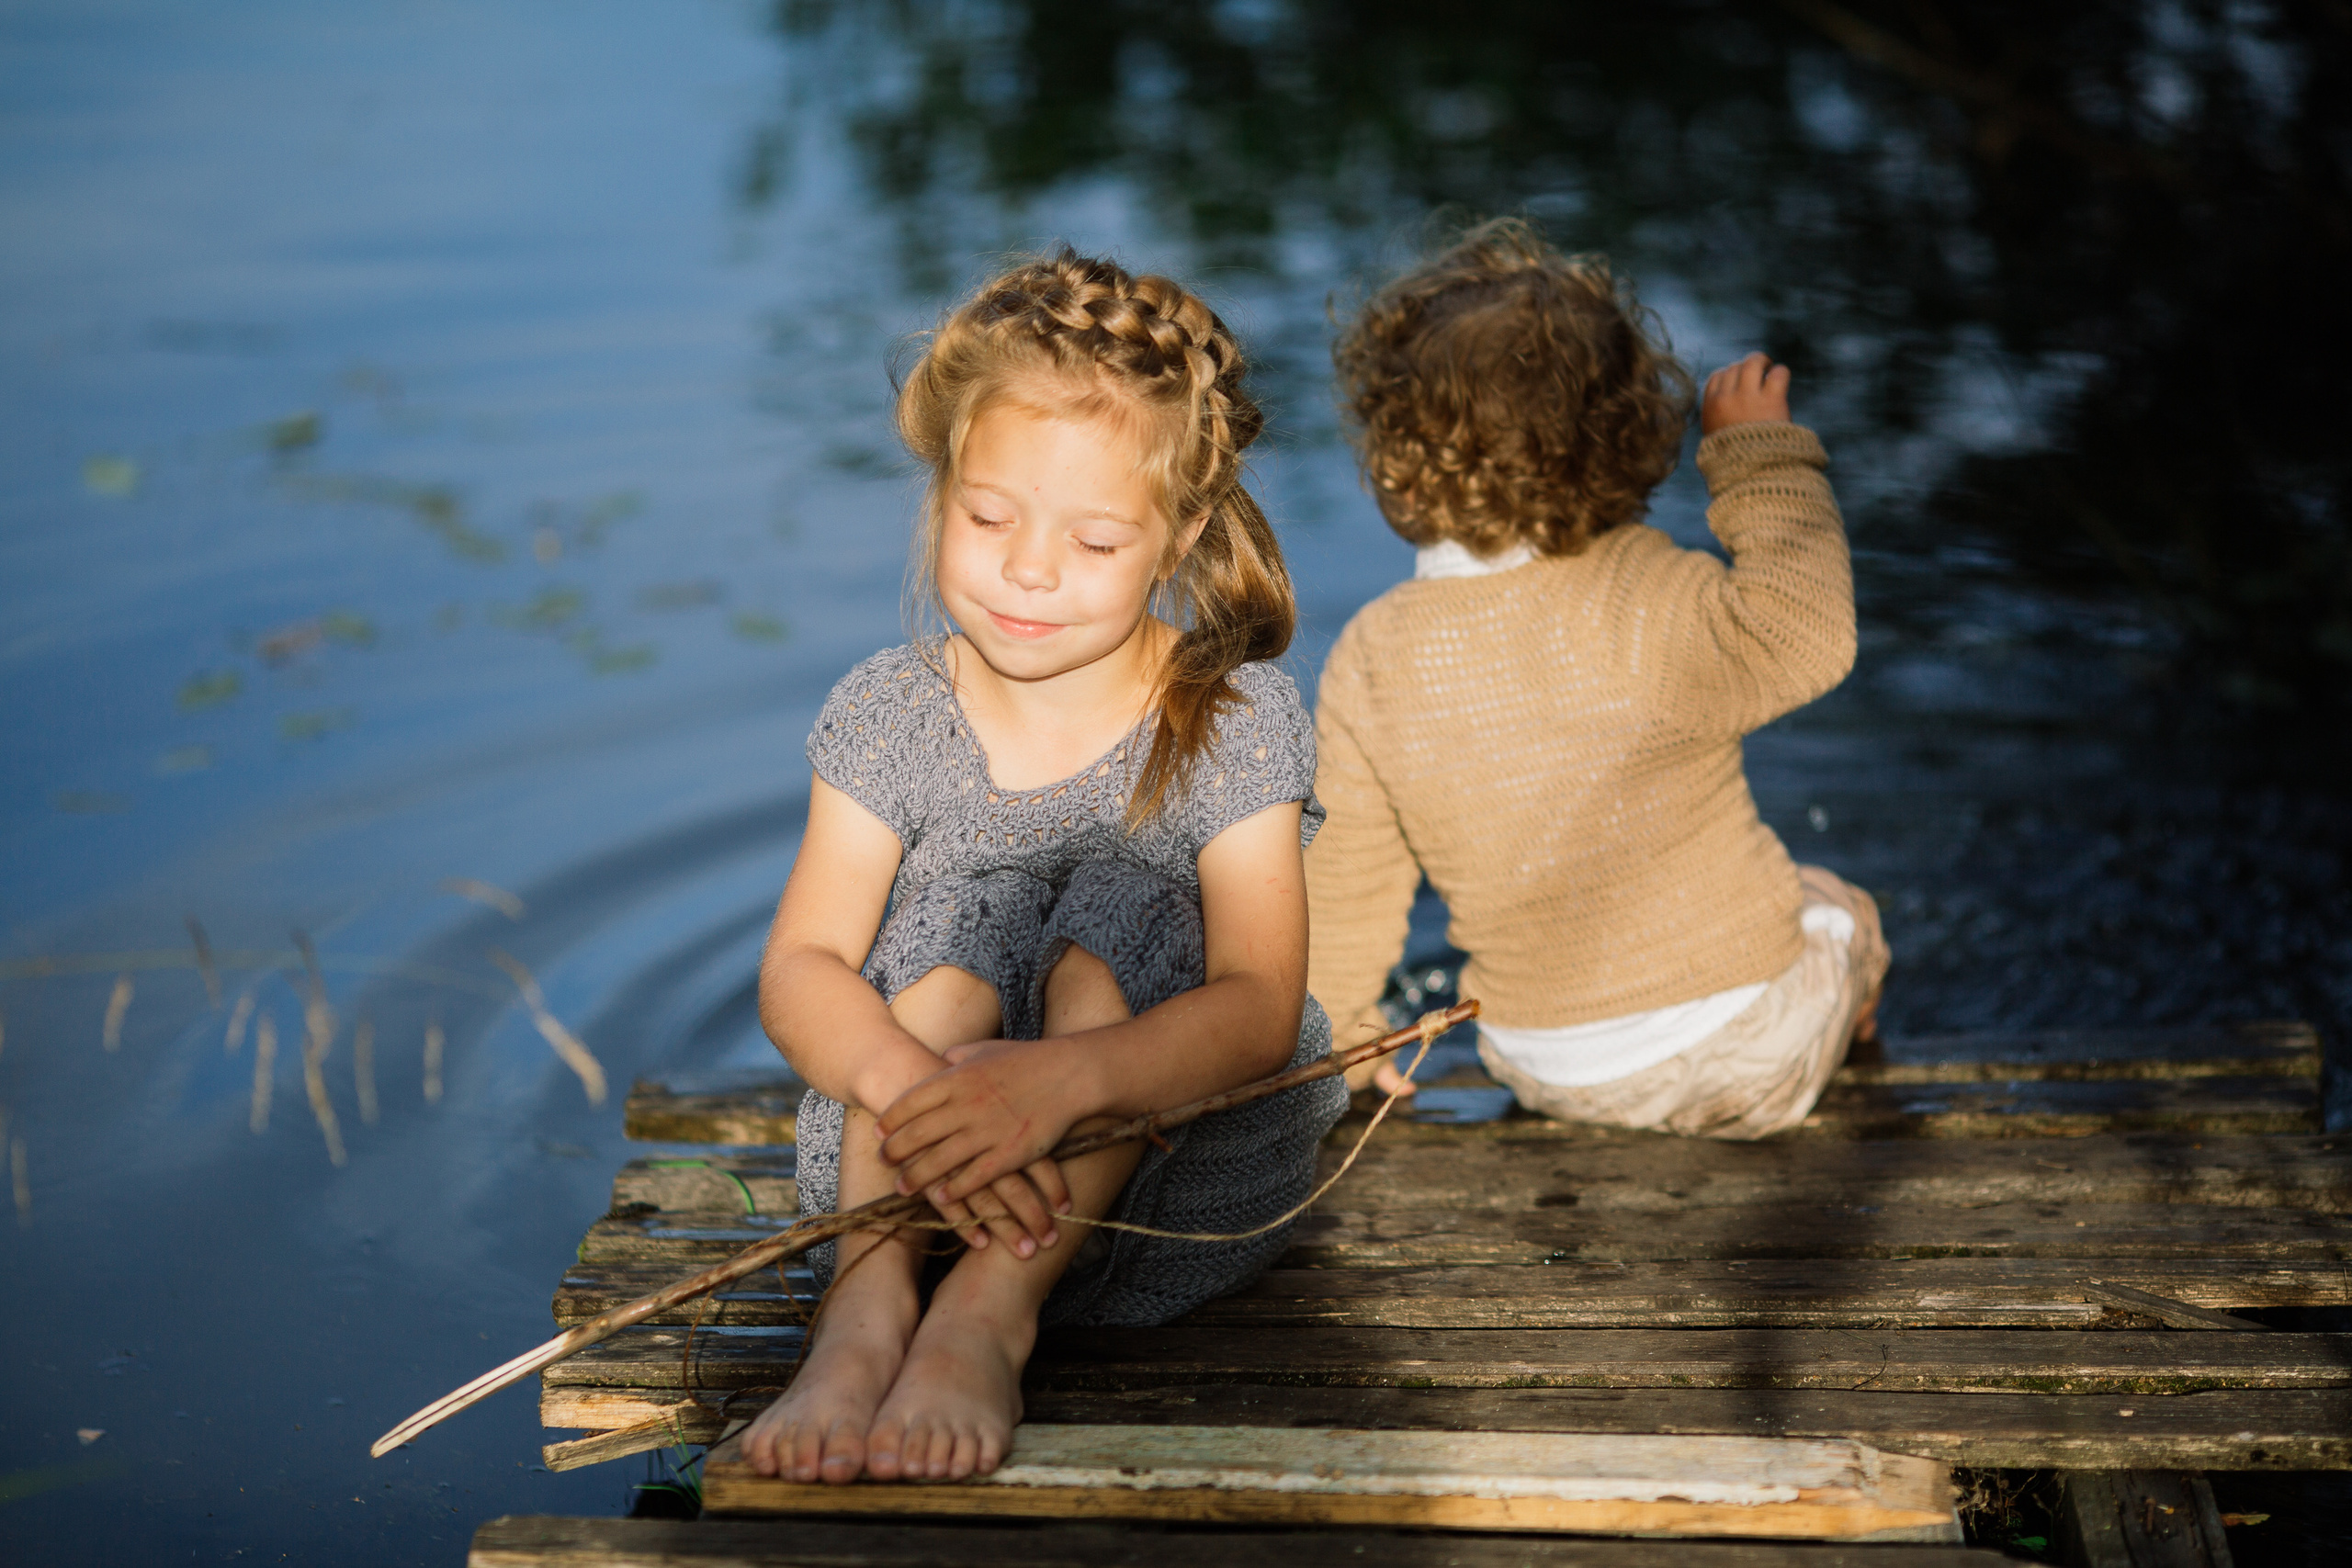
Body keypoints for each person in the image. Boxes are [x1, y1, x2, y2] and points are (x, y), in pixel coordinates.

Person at [739, 248, 1346, 1486]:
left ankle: (987, 1317)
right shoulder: (889, 710)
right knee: (953, 921)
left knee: (1124, 902)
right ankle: (865, 1307)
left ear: (1177, 537)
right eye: (989, 517)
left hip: (1154, 1185)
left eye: (1095, 538)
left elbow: (1257, 1005)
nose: (1028, 568)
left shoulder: (1232, 721)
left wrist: (1060, 1084)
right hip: (910, 1180)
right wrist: (918, 1094)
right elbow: (801, 965)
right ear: (941, 492)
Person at [1306, 218, 1888, 1139]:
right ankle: (1854, 1049)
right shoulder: (1656, 592)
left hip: (1549, 1068)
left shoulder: (1372, 655)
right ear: (1624, 441)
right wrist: (1760, 457)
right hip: (1754, 1048)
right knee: (1840, 907)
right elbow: (1805, 632)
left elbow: (1345, 880)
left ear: (1396, 470)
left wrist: (1341, 1037)